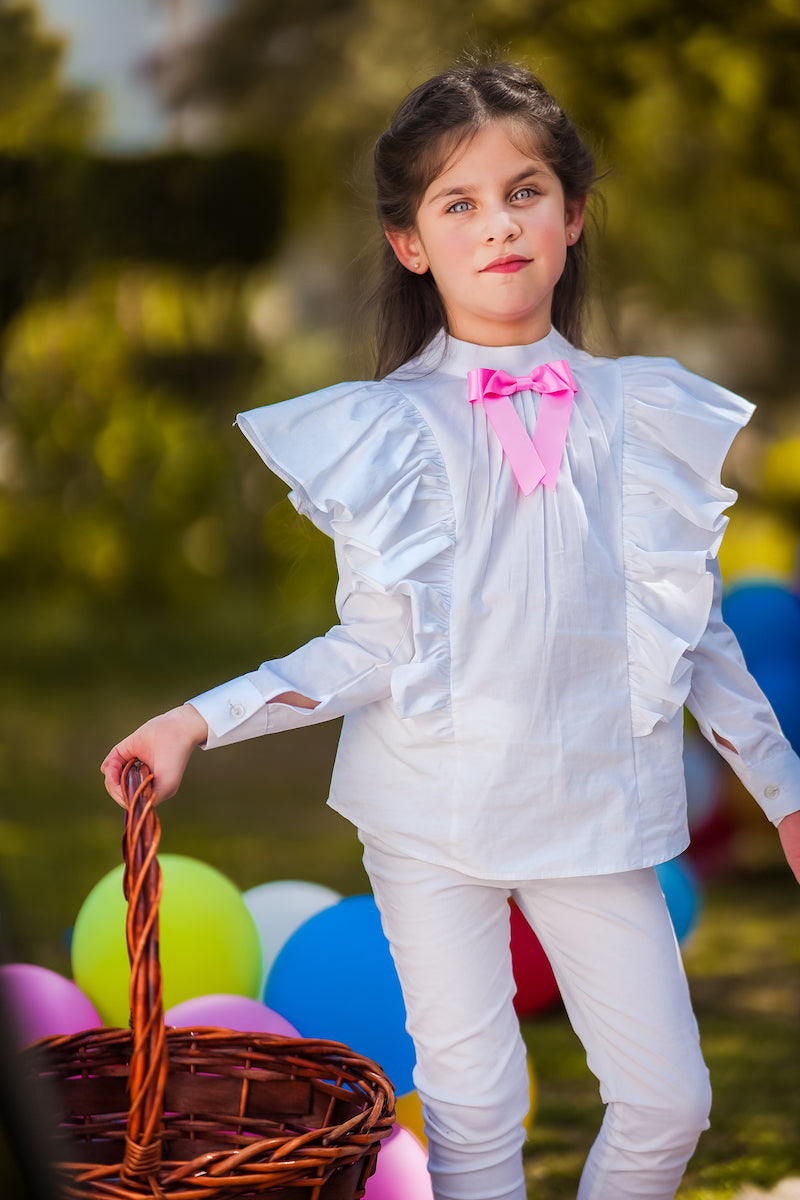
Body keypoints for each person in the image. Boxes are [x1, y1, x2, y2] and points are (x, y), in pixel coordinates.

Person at [102, 62, 800, 1200]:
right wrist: (195, 721)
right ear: (410, 243)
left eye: (523, 192)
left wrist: (782, 794)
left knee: (669, 1099)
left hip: (596, 810)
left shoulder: (640, 411)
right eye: (457, 203)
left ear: (571, 215)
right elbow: (367, 648)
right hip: (429, 812)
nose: (498, 225)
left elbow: (696, 632)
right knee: (474, 1105)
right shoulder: (386, 432)